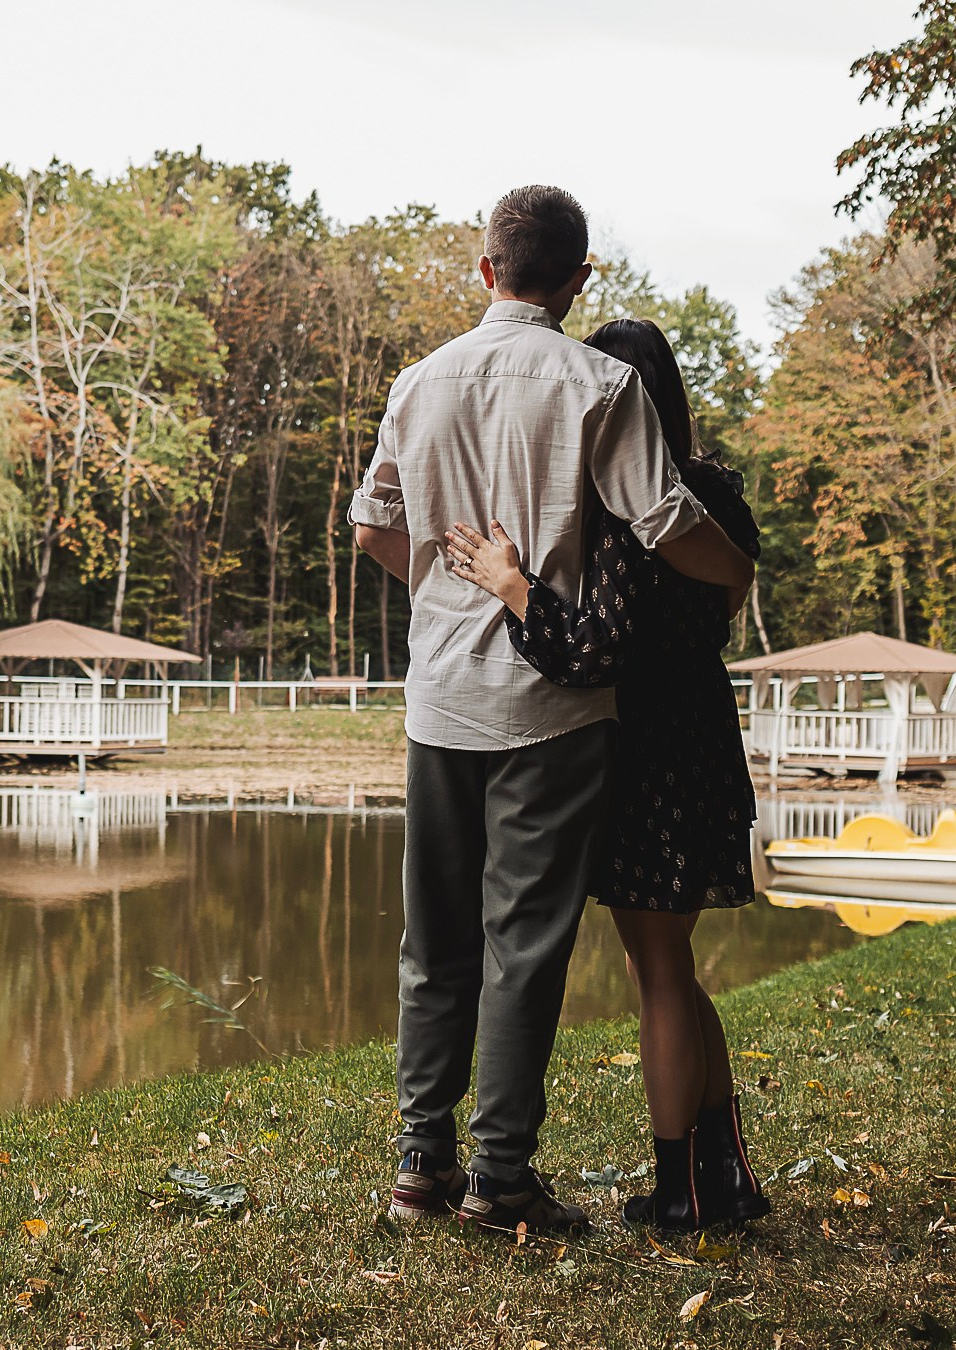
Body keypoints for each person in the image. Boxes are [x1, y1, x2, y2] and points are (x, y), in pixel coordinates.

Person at [350, 186, 754, 1236]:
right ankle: (500, 1179)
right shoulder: (599, 384)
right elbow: (666, 522)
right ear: (578, 279)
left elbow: (373, 529)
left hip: (439, 701)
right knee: (522, 946)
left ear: (487, 270)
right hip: (550, 706)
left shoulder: (417, 381)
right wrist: (735, 568)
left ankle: (418, 1166)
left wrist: (443, 598)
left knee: (432, 939)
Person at [443, 317, 772, 1231]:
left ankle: (679, 1192)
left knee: (657, 969)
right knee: (675, 964)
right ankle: (724, 1174)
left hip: (648, 751)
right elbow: (729, 592)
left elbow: (593, 652)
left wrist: (514, 588)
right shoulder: (715, 496)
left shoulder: (631, 515)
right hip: (705, 735)